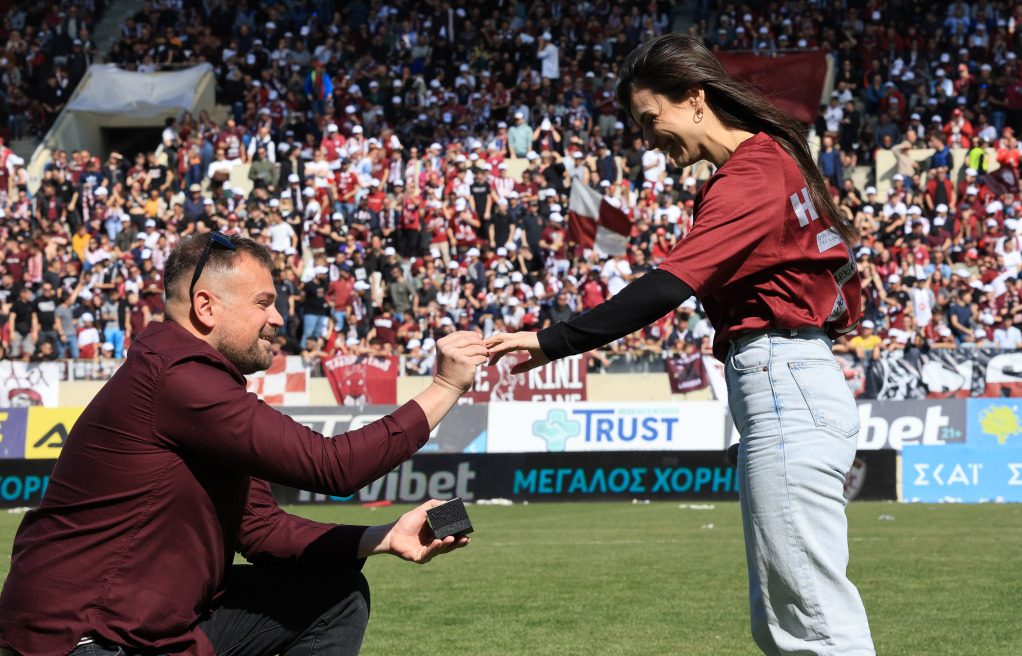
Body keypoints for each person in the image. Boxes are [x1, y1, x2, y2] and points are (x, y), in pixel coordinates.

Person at [485, 34, 873, 656]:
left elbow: (666, 287)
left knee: (810, 622)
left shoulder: (750, 172)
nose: (647, 137)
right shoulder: (774, 156)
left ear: (694, 99)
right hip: (792, 377)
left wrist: (552, 340)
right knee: (788, 617)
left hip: (784, 379)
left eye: (650, 118)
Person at [0, 233, 485, 656]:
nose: (277, 317)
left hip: (146, 630)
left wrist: (383, 537)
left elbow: (260, 529)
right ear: (206, 307)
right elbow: (333, 467)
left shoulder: (184, 377)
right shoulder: (178, 378)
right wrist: (445, 387)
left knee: (337, 593)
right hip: (86, 639)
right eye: (262, 301)